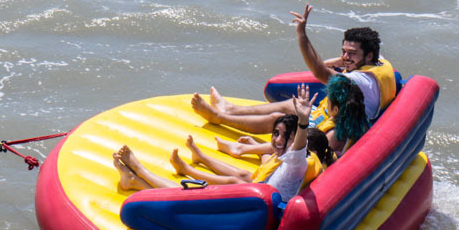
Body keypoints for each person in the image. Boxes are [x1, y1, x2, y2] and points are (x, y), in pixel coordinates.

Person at [191, 3, 398, 133]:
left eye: (352, 53)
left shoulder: (360, 81)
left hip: (344, 128)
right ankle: (232, 109)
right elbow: (332, 64)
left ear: (368, 55)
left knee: (282, 120)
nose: (345, 57)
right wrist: (344, 60)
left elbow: (320, 72)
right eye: (344, 51)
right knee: (293, 104)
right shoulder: (379, 60)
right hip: (345, 114)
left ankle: (219, 117)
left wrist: (302, 34)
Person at [113, 85, 317, 203]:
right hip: (257, 203)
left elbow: (298, 147)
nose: (278, 140)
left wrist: (303, 120)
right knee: (241, 178)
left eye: (285, 136)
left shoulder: (295, 162)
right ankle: (136, 181)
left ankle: (140, 171)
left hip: (250, 214)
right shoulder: (286, 160)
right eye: (275, 134)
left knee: (190, 194)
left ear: (295, 140)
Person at [216, 74, 370, 156]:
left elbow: (298, 154)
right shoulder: (355, 122)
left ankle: (240, 148)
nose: (325, 101)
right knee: (286, 117)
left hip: (299, 169)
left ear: (336, 110)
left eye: (328, 99)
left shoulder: (332, 135)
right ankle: (228, 114)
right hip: (305, 157)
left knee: (284, 128)